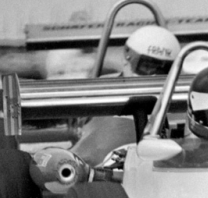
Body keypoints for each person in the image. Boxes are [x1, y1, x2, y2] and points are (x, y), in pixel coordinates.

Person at [70, 26, 181, 167]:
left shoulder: (181, 100)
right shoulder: (96, 92)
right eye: (148, 66)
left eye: (163, 71)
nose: (153, 76)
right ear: (127, 58)